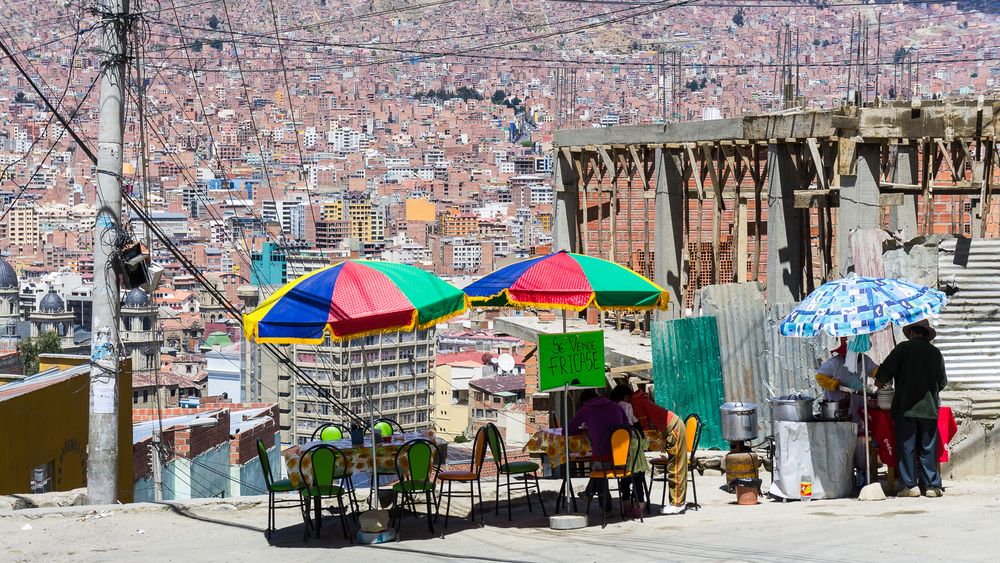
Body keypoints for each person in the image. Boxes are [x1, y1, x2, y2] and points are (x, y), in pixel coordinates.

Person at [875, 319, 948, 498]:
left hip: (905, 408)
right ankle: (931, 486)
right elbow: (942, 382)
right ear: (925, 334)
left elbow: (885, 371)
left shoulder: (903, 349)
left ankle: (910, 486)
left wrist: (880, 380)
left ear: (912, 333)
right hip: (929, 409)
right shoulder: (935, 353)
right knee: (928, 447)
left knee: (907, 448)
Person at [568, 388, 628, 514]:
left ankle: (606, 508)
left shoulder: (586, 409)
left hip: (602, 458)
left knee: (599, 469)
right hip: (623, 460)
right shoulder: (617, 407)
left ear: (584, 402)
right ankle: (588, 493)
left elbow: (568, 430)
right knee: (599, 468)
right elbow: (627, 427)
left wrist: (585, 429)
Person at [630, 387, 688, 514]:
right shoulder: (638, 400)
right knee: (674, 466)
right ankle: (676, 501)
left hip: (674, 429)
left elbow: (644, 428)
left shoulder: (636, 404)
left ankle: (677, 503)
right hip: (672, 427)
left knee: (676, 467)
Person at [609, 384, 649, 518]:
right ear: (626, 396)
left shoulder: (609, 407)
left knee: (625, 481)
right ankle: (640, 506)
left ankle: (626, 506)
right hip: (634, 452)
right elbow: (631, 423)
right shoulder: (626, 406)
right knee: (638, 480)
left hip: (618, 452)